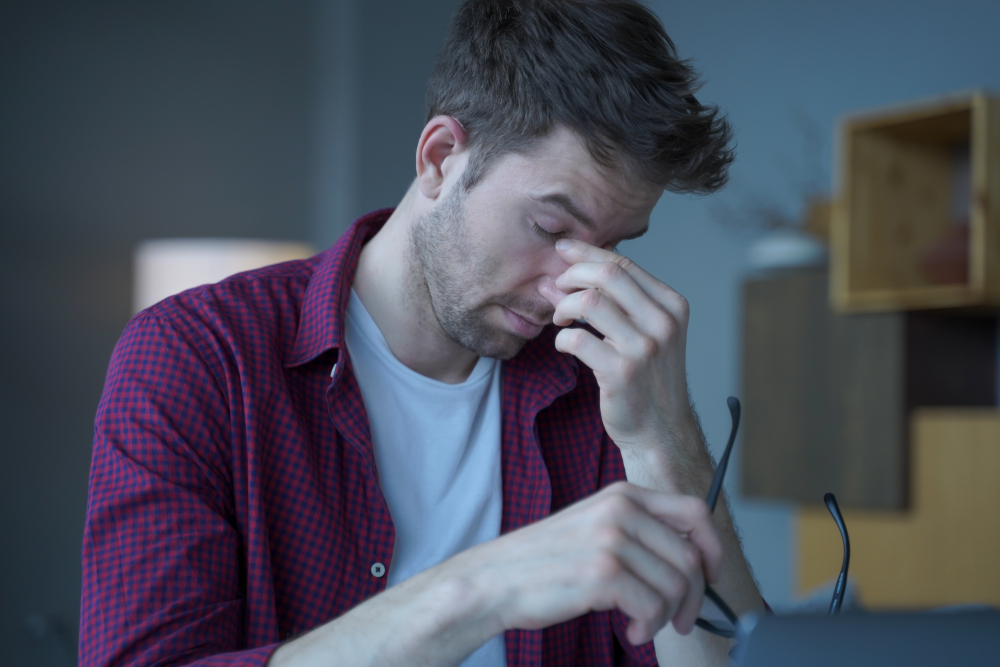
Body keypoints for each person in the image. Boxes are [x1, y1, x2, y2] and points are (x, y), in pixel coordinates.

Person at [80, 1, 764, 665]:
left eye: (609, 248)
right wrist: (477, 590)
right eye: (550, 228)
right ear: (440, 158)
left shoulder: (597, 384)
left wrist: (665, 438)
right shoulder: (196, 357)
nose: (569, 293)